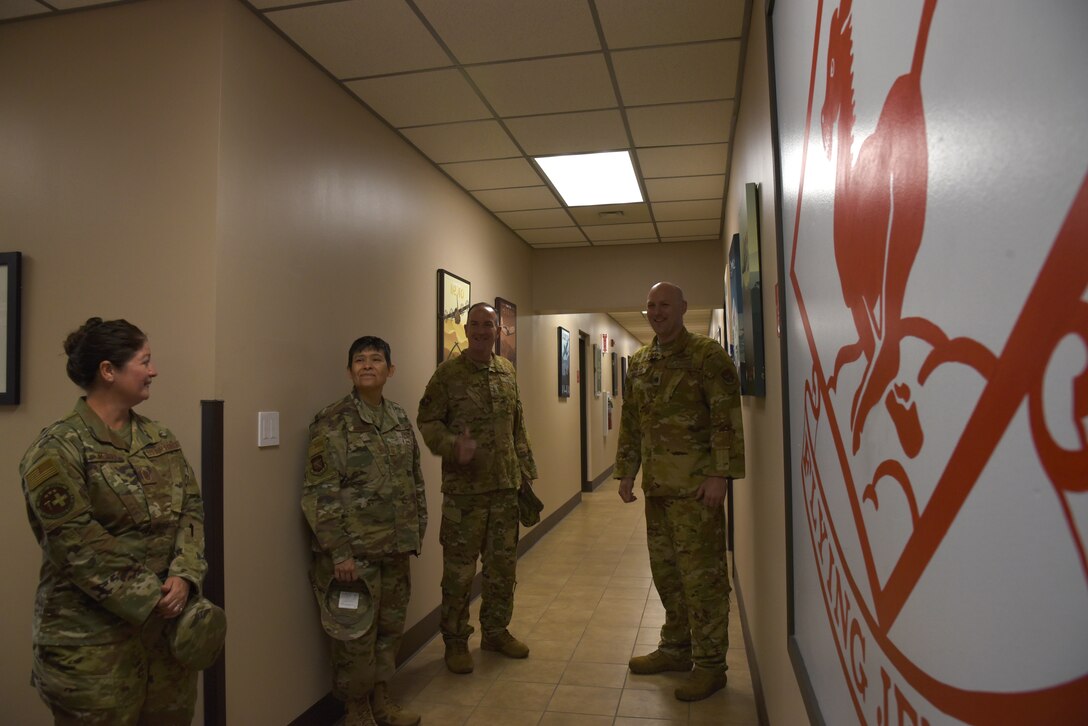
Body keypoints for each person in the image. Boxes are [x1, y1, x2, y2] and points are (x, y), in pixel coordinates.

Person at [20, 318, 208, 725]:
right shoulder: (57, 449)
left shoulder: (161, 440)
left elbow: (191, 510)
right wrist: (152, 595)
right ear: (109, 371)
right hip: (92, 648)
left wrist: (185, 574)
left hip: (165, 644)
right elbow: (75, 541)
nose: (154, 371)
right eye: (145, 361)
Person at [615, 282, 745, 702]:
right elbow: (633, 422)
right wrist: (625, 472)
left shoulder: (707, 357)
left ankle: (710, 666)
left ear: (683, 308)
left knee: (702, 580)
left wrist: (719, 475)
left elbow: (726, 418)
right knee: (668, 575)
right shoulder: (640, 362)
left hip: (696, 492)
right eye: (650, 305)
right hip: (658, 490)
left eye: (664, 304)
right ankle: (675, 649)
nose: (656, 312)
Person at [302, 336, 427, 726]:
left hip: (395, 550)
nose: (368, 365)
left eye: (376, 359)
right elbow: (318, 493)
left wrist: (415, 533)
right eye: (360, 360)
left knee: (390, 633)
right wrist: (339, 552)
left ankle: (381, 700)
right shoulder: (332, 420)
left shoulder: (400, 419)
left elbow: (415, 480)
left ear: (391, 371)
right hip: (352, 559)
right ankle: (356, 710)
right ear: (349, 371)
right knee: (354, 641)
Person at [417, 302, 537, 674]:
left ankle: (496, 631)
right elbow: (427, 420)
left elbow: (517, 425)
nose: (483, 331)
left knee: (502, 569)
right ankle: (455, 642)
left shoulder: (506, 371)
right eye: (476, 325)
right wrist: (454, 446)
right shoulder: (447, 375)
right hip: (464, 495)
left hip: (505, 489)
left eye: (489, 325)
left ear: (498, 329)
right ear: (466, 330)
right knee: (459, 573)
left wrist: (526, 471)